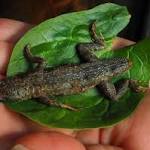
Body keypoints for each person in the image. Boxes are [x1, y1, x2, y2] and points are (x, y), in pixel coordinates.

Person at [0, 18, 150, 150]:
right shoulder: (36, 75)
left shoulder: (41, 95)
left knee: (115, 96)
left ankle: (129, 82)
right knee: (82, 48)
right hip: (94, 68)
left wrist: (65, 106)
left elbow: (54, 103)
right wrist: (30, 56)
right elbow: (42, 62)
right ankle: (100, 45)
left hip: (99, 74)